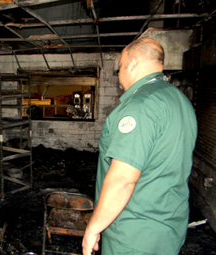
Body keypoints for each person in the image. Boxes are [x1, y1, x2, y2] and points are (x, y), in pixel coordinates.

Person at [82, 38, 197, 255]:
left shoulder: (139, 106)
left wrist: (93, 227)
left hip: (133, 233)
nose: (118, 75)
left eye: (120, 67)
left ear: (132, 63)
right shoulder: (180, 101)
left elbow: (123, 179)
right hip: (169, 227)